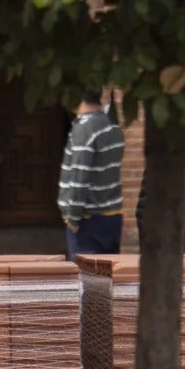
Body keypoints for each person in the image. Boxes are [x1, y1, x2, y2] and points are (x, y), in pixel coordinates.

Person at [57, 89, 125, 259]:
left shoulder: (84, 128)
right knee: (108, 270)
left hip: (88, 218)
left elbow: (80, 176)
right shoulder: (113, 125)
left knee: (86, 272)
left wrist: (73, 217)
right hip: (113, 214)